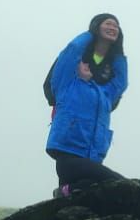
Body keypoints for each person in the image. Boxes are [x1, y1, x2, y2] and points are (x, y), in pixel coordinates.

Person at [45, 13, 128, 196]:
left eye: (116, 25)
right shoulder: (67, 84)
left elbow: (121, 82)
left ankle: (65, 191)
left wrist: (119, 49)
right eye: (108, 23)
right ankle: (66, 191)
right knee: (123, 185)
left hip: (92, 157)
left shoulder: (105, 94)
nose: (113, 27)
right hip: (68, 155)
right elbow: (72, 51)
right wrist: (91, 33)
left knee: (97, 192)